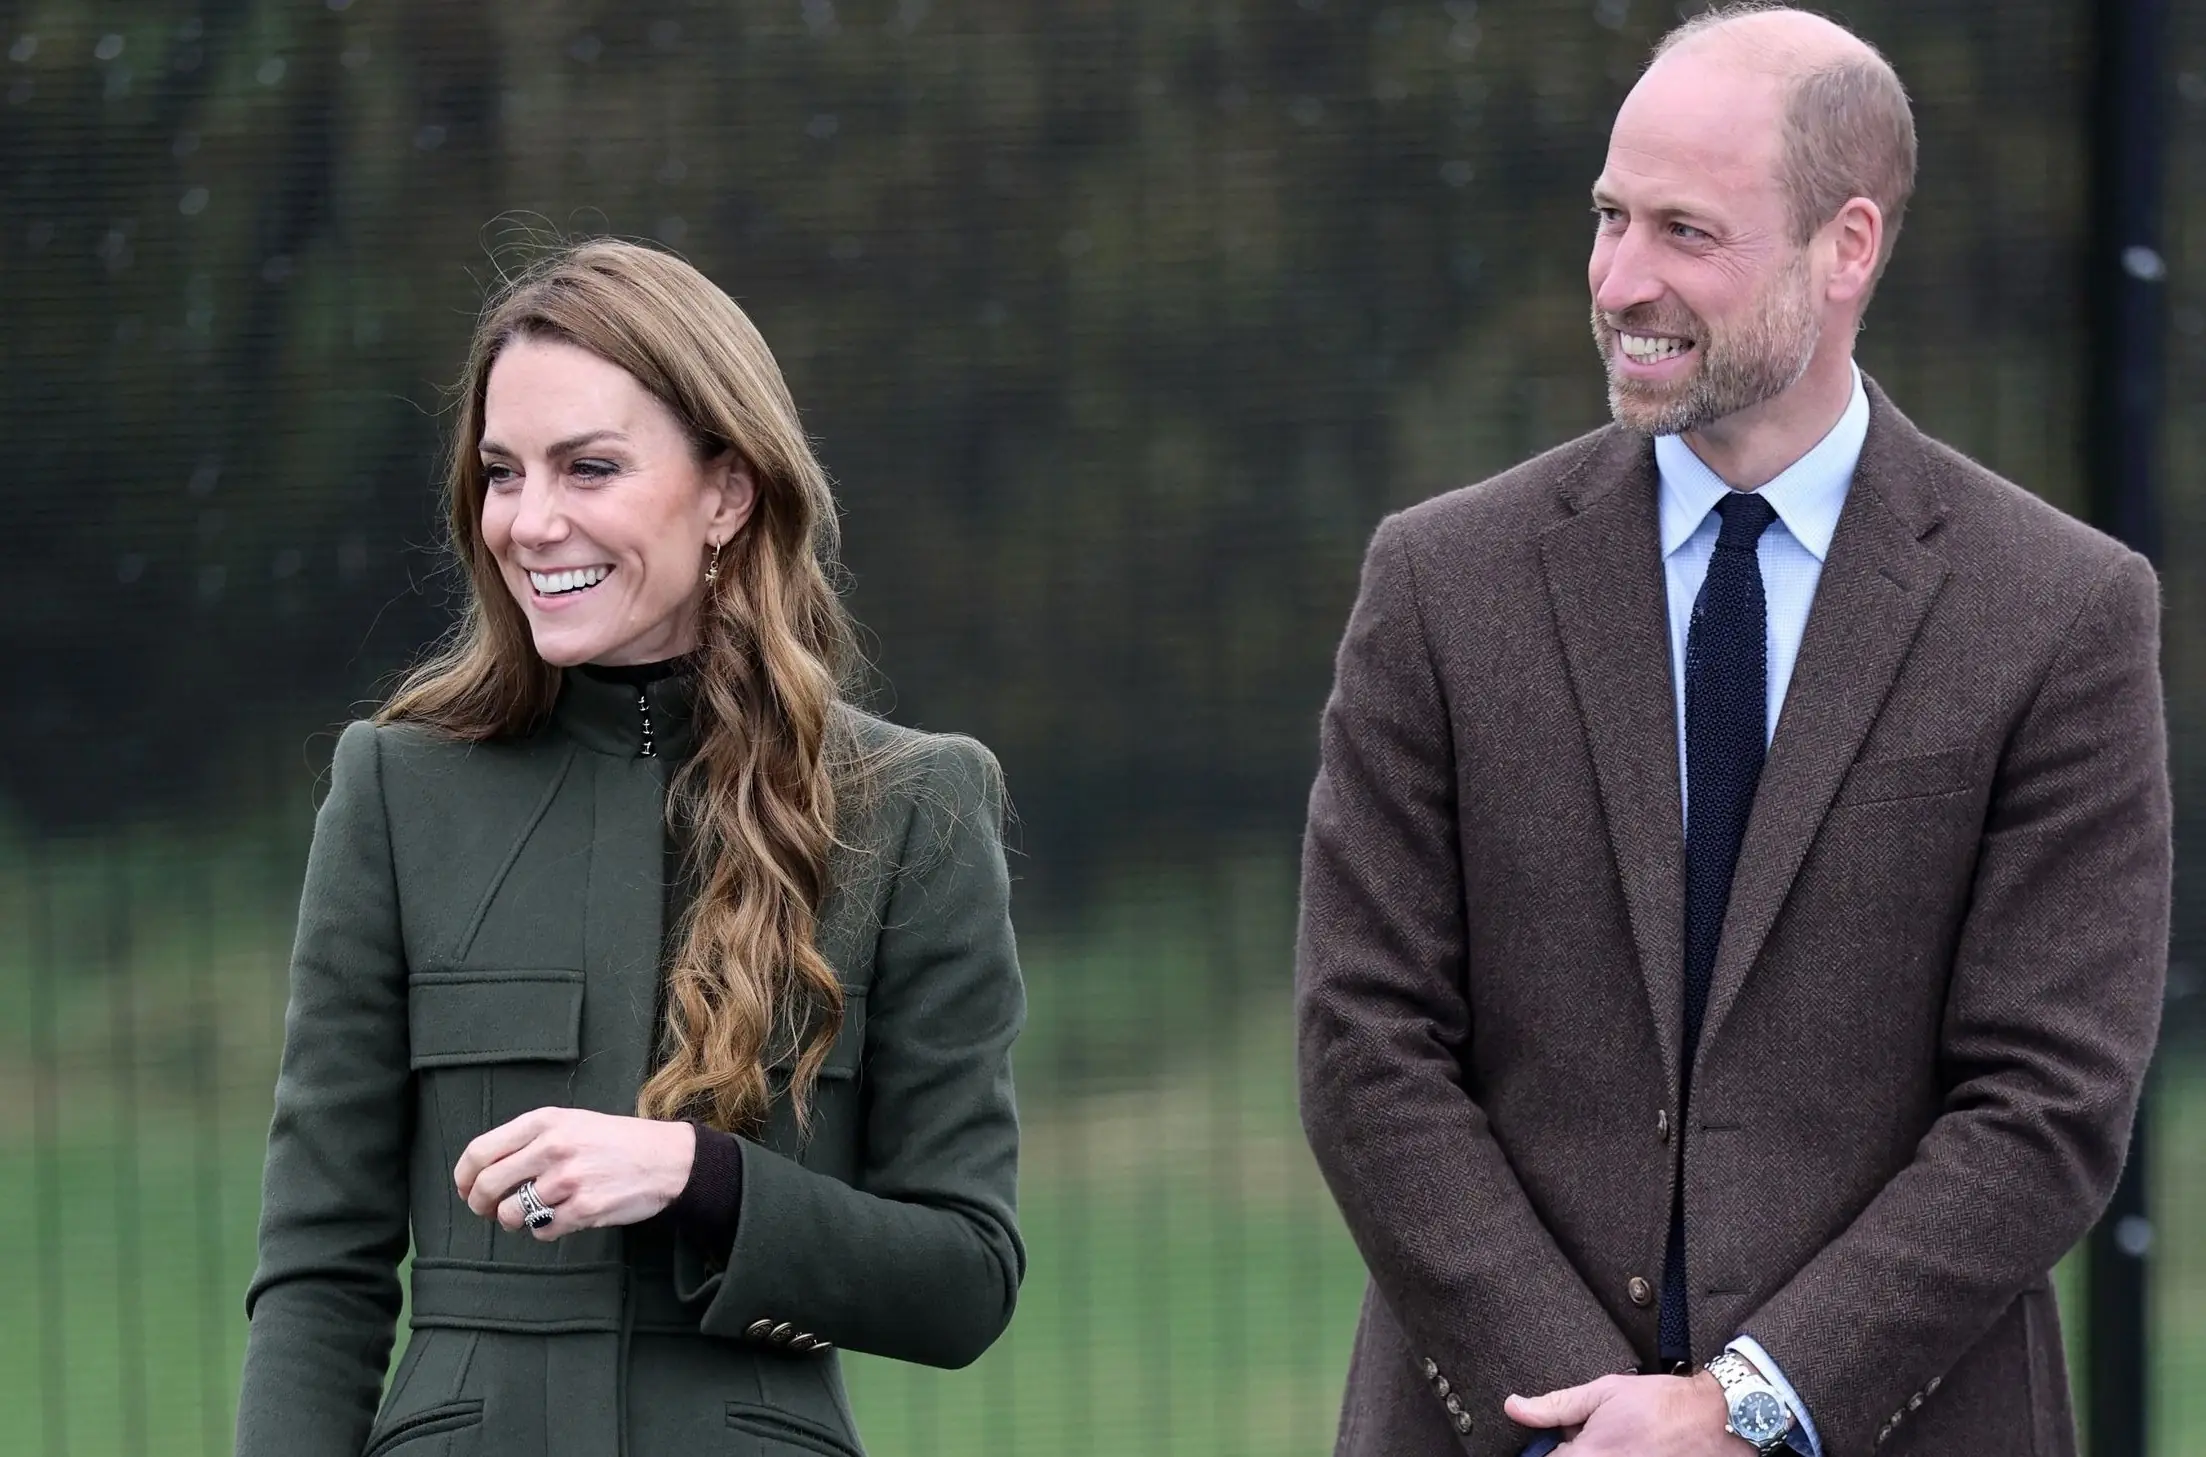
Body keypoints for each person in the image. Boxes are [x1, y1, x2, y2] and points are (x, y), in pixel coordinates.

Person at [1294, 7, 2168, 1457]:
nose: (1619, 279)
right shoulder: (1441, 583)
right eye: (1609, 217)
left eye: (1685, 232)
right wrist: (1587, 1416)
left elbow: (2046, 1102)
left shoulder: (2057, 611)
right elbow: (1362, 1043)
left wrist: (1743, 1405)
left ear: (1846, 247)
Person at [234, 239, 1025, 1457]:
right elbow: (318, 1271)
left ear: (728, 492)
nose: (531, 521)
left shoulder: (912, 805)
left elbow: (964, 1276)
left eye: (589, 467)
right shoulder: (396, 790)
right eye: (502, 473)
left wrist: (696, 1176)